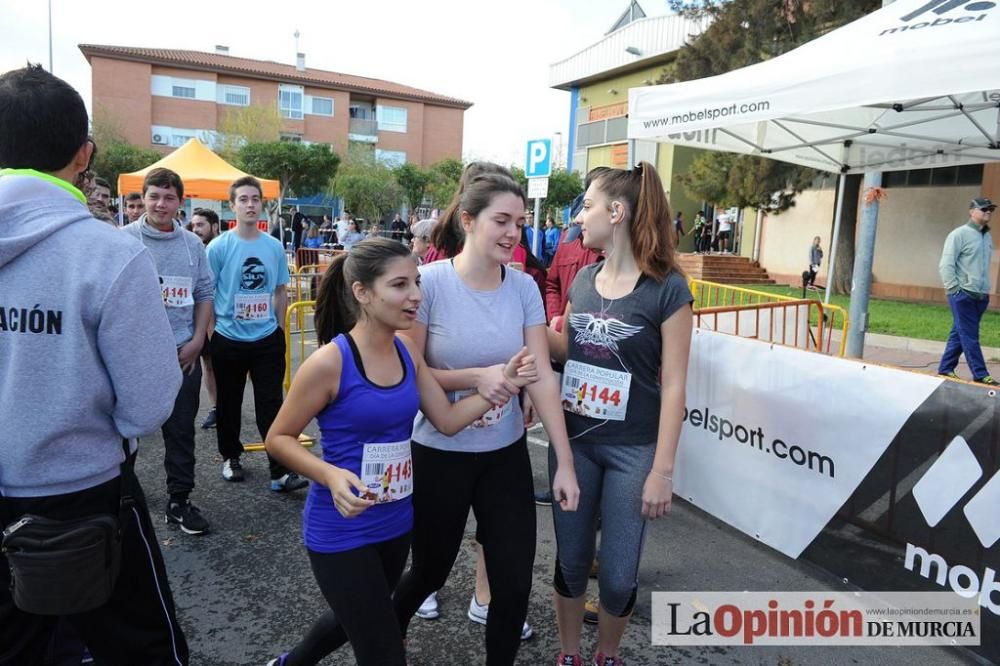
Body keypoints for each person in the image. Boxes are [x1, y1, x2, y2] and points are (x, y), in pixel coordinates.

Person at [264, 238, 538, 666]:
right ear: (362, 293)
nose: (415, 296)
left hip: (393, 522)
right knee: (384, 651)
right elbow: (277, 438)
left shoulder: (407, 351)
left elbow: (445, 420)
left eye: (416, 282)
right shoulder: (330, 362)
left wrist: (500, 383)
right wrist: (331, 475)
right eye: (399, 285)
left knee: (347, 620)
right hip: (341, 528)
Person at [0, 63, 189, 664]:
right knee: (146, 649)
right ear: (85, 154)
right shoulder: (109, 254)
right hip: (86, 495)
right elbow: (149, 402)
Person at [391, 163, 580, 666]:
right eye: (502, 220)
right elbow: (414, 371)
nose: (513, 233)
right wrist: (480, 376)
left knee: (514, 580)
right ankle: (390, 630)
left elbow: (538, 371)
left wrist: (563, 461)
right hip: (439, 452)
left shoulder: (522, 288)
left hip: (504, 454)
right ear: (469, 220)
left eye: (519, 223)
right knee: (429, 572)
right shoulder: (427, 283)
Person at [546, 162, 693, 666]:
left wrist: (662, 471)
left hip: (634, 452)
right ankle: (570, 655)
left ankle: (607, 655)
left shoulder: (668, 287)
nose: (578, 217)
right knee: (569, 559)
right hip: (574, 445)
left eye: (586, 206)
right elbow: (572, 349)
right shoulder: (583, 278)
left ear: (617, 211)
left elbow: (674, 386)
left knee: (617, 574)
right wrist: (526, 329)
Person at [123, 168, 215, 535]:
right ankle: (120, 496)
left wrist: (197, 341)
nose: (161, 204)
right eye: (154, 196)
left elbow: (204, 294)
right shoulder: (123, 239)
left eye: (169, 197)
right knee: (124, 431)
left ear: (180, 201)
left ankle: (179, 500)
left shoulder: (193, 245)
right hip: (133, 355)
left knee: (181, 431)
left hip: (182, 353)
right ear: (142, 198)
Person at [207, 176, 308, 491]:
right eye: (243, 199)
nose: (250, 205)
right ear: (232, 205)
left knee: (272, 405)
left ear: (262, 204)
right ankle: (231, 457)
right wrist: (212, 335)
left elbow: (280, 291)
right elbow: (207, 294)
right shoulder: (218, 246)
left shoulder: (274, 246)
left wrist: (279, 330)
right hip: (228, 338)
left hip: (266, 340)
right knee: (229, 403)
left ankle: (279, 470)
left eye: (255, 199)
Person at [937, 197, 997, 385]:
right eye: (984, 209)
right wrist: (955, 290)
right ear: (971, 211)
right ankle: (980, 374)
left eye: (991, 209)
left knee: (959, 332)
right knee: (970, 335)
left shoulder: (986, 236)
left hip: (981, 296)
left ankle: (946, 368)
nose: (988, 212)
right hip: (963, 294)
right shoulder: (959, 234)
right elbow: (946, 264)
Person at [190, 209, 222, 429]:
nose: (196, 229)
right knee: (209, 366)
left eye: (201, 225)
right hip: (200, 320)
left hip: (224, 322)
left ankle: (229, 407)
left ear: (215, 226)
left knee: (226, 368)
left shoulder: (220, 249)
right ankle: (217, 407)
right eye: (193, 226)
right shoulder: (191, 249)